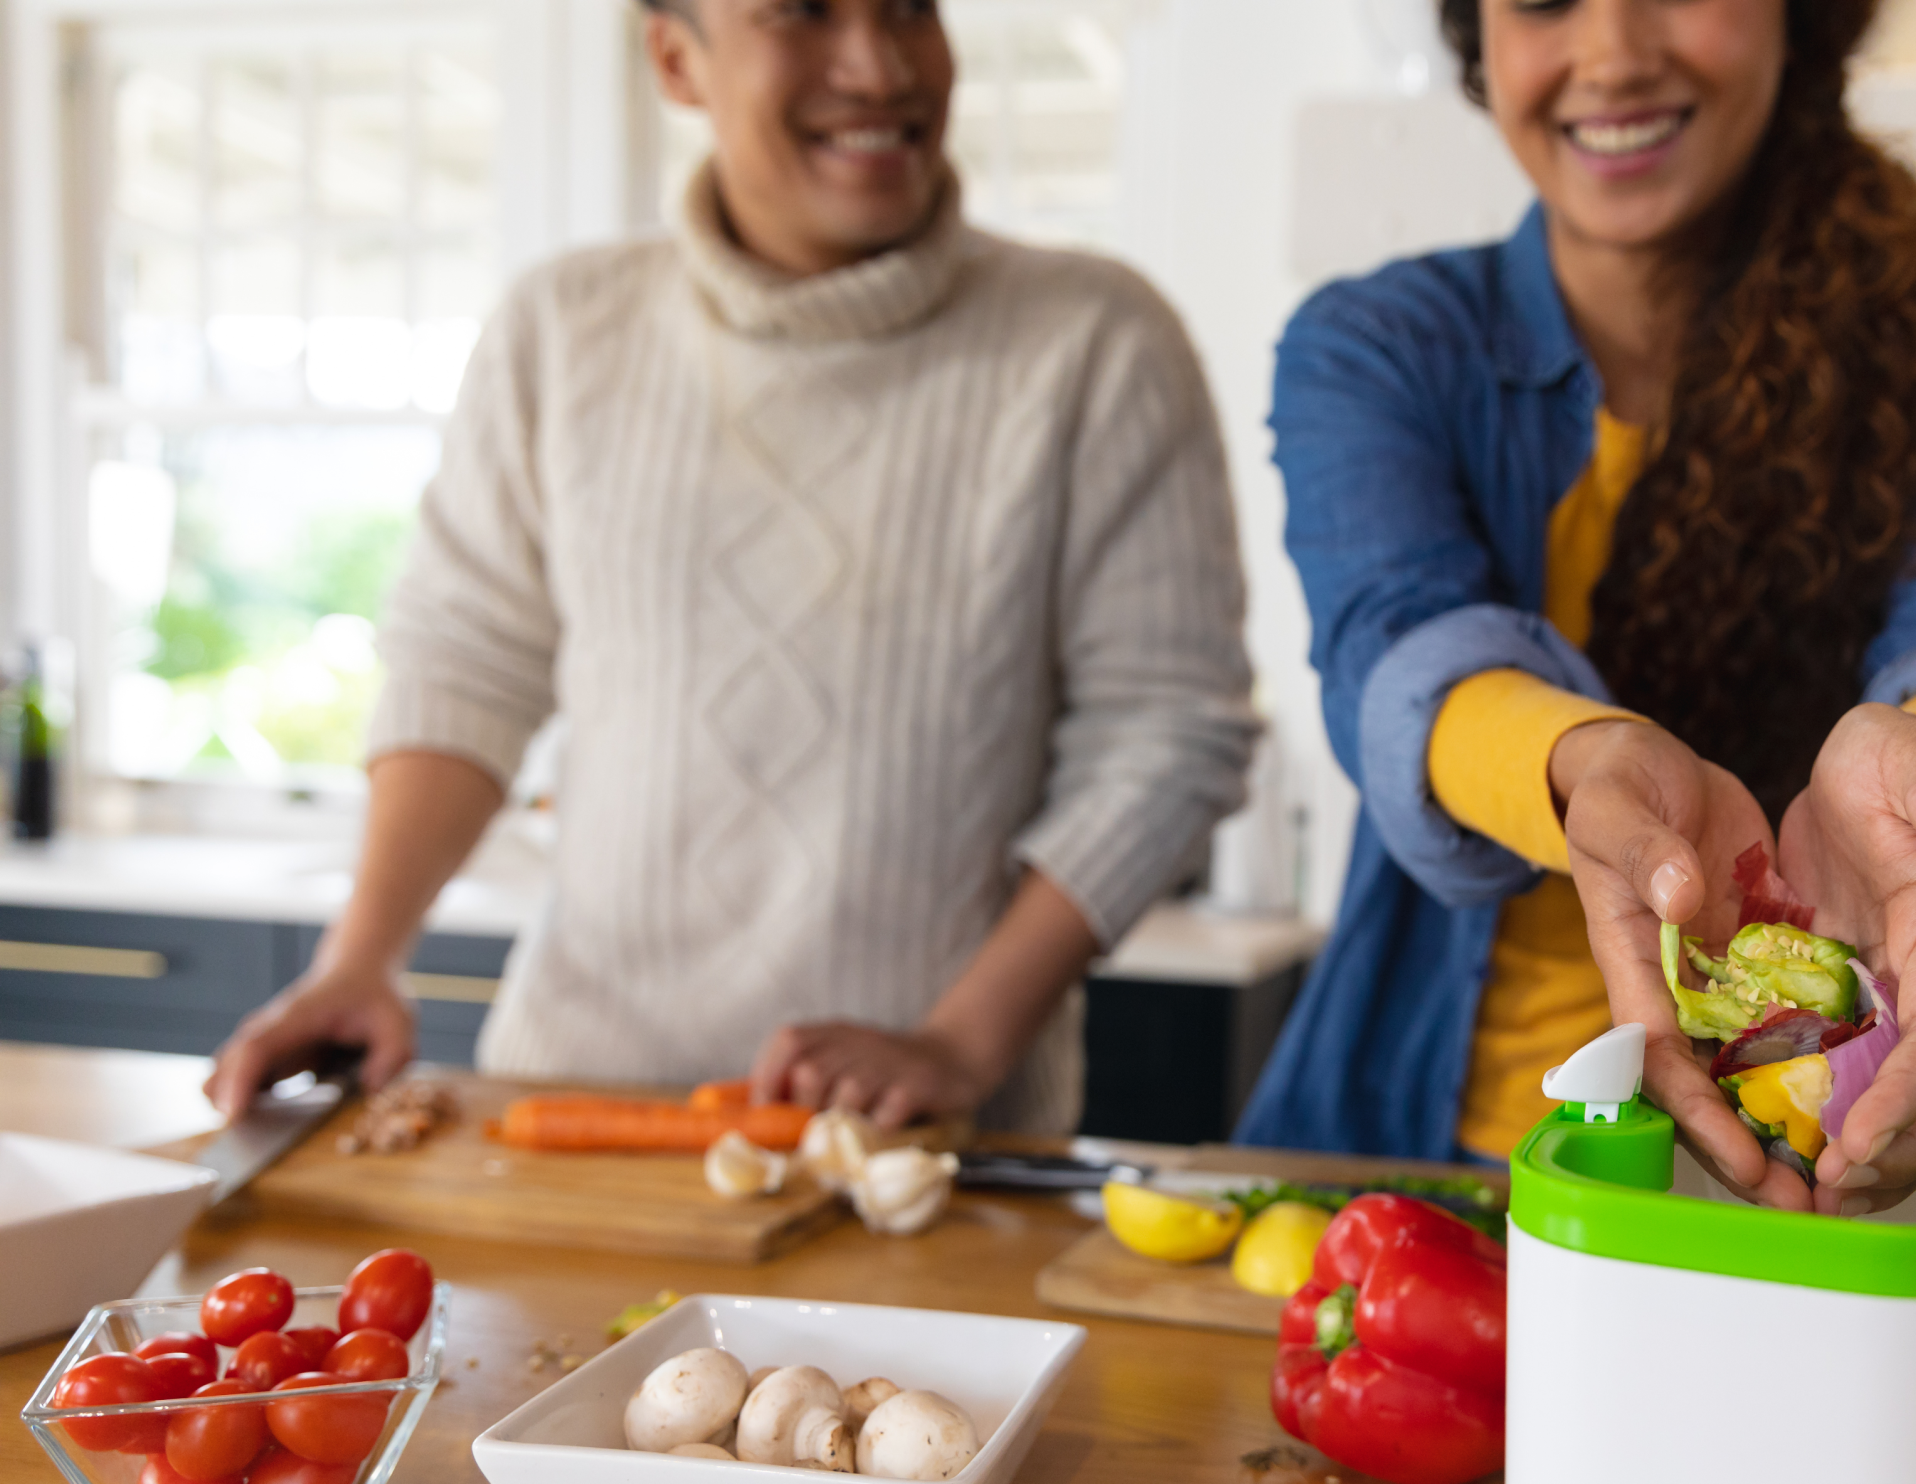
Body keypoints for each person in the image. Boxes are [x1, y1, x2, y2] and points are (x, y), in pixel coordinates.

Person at [206, 0, 1256, 1134]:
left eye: (909, 7)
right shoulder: (562, 327)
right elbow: (469, 658)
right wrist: (359, 958)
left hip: (909, 1151)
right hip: (570, 1115)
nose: (878, 63)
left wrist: (960, 1040)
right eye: (801, 13)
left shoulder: (1095, 339)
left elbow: (1166, 735)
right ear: (675, 59)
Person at [1235, 0, 1916, 1213]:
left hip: (1799, 1167)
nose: (1611, 53)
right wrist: (1584, 763)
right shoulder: (1379, 346)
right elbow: (1398, 650)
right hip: (1429, 1166)